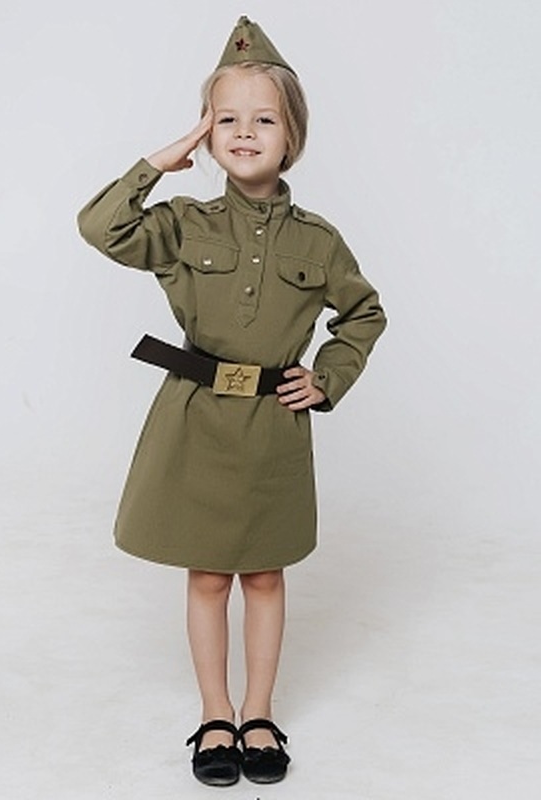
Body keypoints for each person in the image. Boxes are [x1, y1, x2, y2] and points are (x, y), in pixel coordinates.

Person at [77, 15, 386, 787]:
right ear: (206, 135)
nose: (245, 132)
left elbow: (364, 313)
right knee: (210, 577)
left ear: (293, 136)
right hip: (198, 422)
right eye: (226, 119)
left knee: (267, 577)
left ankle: (259, 712)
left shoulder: (318, 241)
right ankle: (216, 713)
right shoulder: (183, 225)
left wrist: (328, 376)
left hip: (273, 429)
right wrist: (159, 161)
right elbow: (101, 227)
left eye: (264, 119)